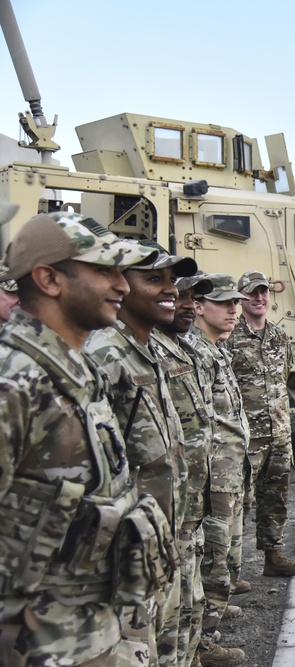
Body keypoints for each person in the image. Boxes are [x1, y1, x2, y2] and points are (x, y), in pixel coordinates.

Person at [0, 211, 156, 666]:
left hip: (90, 635)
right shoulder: (15, 383)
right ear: (48, 278)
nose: (123, 286)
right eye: (104, 270)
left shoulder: (74, 371)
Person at [84, 240, 197, 667]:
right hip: (129, 554)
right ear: (120, 285)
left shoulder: (148, 350)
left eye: (171, 280)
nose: (170, 290)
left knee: (169, 642)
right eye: (153, 279)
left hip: (162, 535)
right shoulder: (104, 356)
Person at [225, 270, 295, 578]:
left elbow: (282, 377)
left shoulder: (278, 336)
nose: (259, 298)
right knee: (238, 503)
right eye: (252, 293)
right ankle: (229, 573)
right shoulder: (230, 337)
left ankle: (273, 557)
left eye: (264, 292)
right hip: (246, 437)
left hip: (279, 433)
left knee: (276, 497)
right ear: (241, 298)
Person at [186, 274, 250, 667]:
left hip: (230, 467)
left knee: (224, 552)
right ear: (198, 307)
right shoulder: (194, 353)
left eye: (235, 303)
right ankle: (203, 641)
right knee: (214, 554)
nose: (233, 310)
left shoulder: (216, 350)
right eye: (224, 303)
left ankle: (212, 613)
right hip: (214, 473)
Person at [152, 267, 215, 667]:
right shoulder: (119, 352)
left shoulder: (174, 347)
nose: (186, 302)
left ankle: (192, 655)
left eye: (191, 296)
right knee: (163, 615)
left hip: (186, 502)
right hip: (158, 516)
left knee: (185, 599)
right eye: (180, 294)